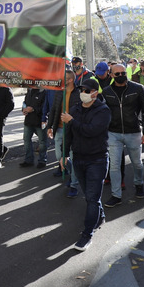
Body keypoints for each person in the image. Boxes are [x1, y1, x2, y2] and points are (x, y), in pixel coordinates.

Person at [62, 79, 112, 251]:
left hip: (97, 160)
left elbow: (91, 130)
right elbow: (69, 134)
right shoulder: (75, 109)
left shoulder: (103, 111)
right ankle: (101, 216)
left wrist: (71, 121)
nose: (83, 92)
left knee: (92, 198)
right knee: (90, 196)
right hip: (78, 158)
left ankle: (87, 234)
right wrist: (64, 154)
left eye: (87, 90)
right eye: (82, 89)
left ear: (95, 93)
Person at [100, 64, 144, 207]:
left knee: (137, 163)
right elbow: (101, 112)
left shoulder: (138, 88)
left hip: (134, 132)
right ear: (111, 75)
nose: (121, 75)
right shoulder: (106, 91)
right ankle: (116, 195)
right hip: (113, 133)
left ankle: (139, 184)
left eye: (123, 73)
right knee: (114, 166)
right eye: (117, 74)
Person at [45, 69, 82, 197]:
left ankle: (74, 185)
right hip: (59, 129)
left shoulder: (79, 93)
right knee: (59, 157)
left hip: (73, 130)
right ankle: (72, 174)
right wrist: (49, 126)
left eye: (64, 78)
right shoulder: (59, 93)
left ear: (70, 80)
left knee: (72, 156)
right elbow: (54, 110)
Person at [19, 85, 48, 168]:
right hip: (28, 121)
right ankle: (28, 160)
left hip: (40, 121)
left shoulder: (44, 92)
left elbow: (45, 108)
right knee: (26, 140)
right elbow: (25, 103)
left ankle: (42, 160)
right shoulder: (30, 91)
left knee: (42, 142)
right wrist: (24, 109)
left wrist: (33, 109)